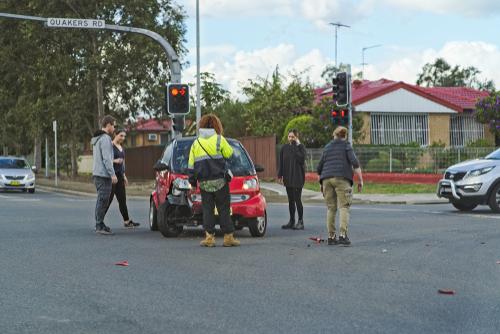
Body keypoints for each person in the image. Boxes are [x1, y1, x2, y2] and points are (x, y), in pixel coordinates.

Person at [188, 114, 240, 247]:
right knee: (223, 208)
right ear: (216, 126)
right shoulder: (219, 139)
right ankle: (228, 237)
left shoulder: (196, 143)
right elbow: (229, 154)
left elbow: (191, 166)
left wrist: (193, 183)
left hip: (204, 183)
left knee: (207, 209)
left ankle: (209, 238)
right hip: (220, 181)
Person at [317, 126, 363, 246]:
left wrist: (321, 183)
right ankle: (343, 235)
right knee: (344, 206)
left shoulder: (327, 147)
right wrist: (361, 180)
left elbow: (319, 168)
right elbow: (355, 163)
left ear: (334, 135)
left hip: (326, 179)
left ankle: (331, 237)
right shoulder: (346, 146)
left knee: (331, 208)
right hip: (342, 179)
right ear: (345, 136)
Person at [104, 129, 140, 229]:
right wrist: (115, 161)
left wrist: (124, 176)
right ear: (115, 135)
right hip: (112, 176)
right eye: (121, 135)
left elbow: (122, 163)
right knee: (108, 200)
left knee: (122, 200)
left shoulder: (121, 147)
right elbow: (105, 160)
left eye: (124, 136)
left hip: (119, 176)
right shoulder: (110, 146)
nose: (123, 138)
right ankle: (100, 221)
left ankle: (127, 221)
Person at [91, 115, 118, 235]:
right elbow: (107, 159)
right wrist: (112, 174)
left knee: (102, 200)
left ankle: (100, 223)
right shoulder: (105, 138)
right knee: (103, 200)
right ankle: (99, 225)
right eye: (113, 125)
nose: (114, 128)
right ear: (108, 125)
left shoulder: (98, 138)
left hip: (98, 174)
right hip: (103, 175)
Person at [278, 129, 306, 230]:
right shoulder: (284, 148)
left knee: (297, 199)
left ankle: (300, 221)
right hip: (288, 177)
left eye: (293, 137)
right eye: (289, 137)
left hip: (298, 178)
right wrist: (280, 175)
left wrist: (295, 146)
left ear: (296, 137)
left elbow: (301, 159)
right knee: (290, 200)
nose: (291, 138)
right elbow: (281, 162)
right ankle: (292, 221)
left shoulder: (301, 147)